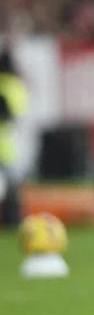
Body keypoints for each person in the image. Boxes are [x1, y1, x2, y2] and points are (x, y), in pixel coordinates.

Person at [0, 48, 29, 227]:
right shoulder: (16, 86)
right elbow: (18, 113)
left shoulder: (7, 85)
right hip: (9, 145)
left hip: (6, 145)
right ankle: (13, 222)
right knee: (12, 190)